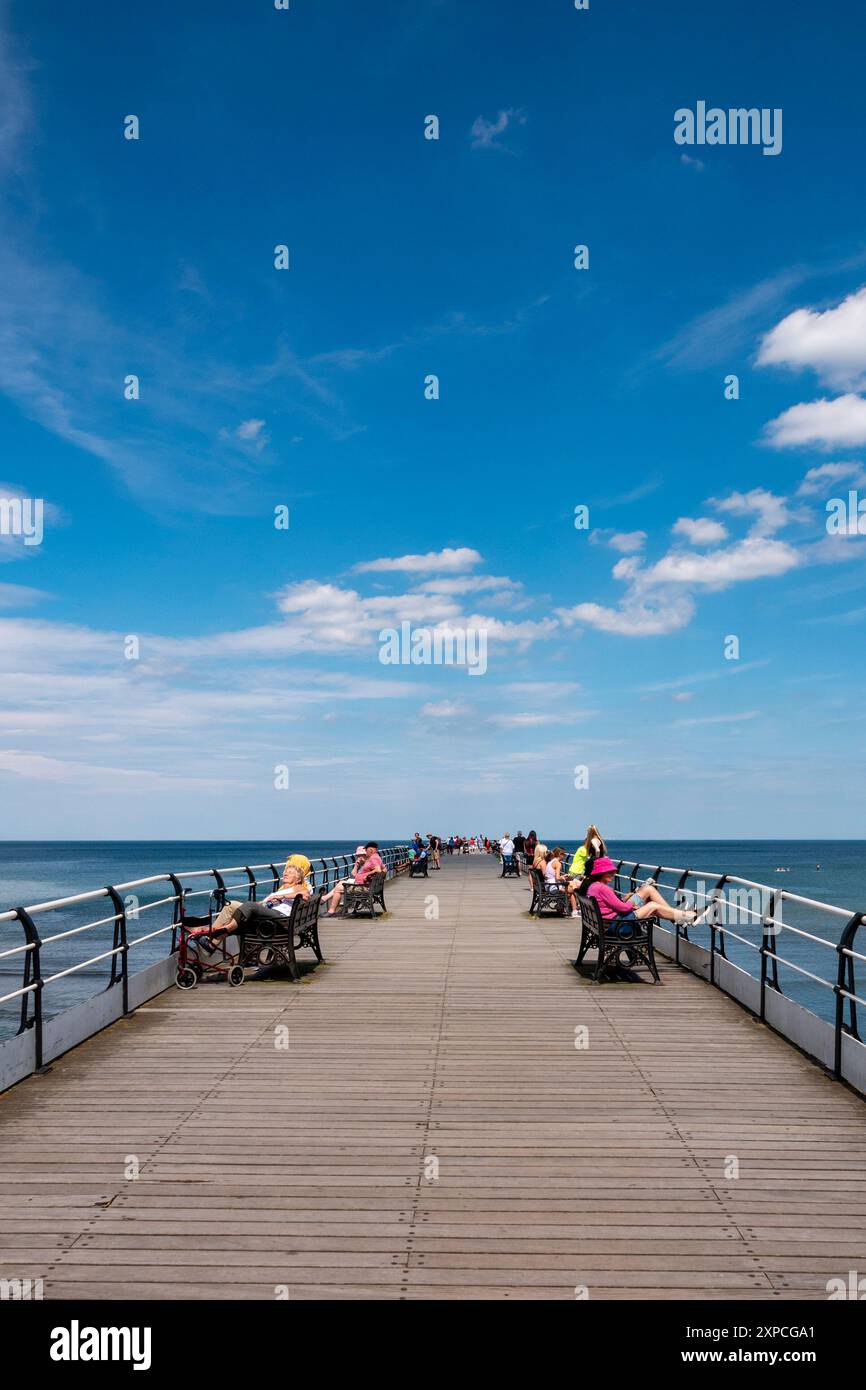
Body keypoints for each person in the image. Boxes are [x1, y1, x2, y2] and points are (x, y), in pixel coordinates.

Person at [583, 857, 696, 935]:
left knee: (648, 890)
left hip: (607, 923)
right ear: (600, 873)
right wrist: (632, 904)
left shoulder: (594, 887)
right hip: (616, 925)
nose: (613, 874)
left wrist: (625, 900)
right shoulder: (602, 888)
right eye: (610, 872)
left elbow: (611, 906)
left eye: (613, 872)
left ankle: (678, 917)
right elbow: (624, 908)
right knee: (652, 905)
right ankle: (687, 916)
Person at [323, 841, 386, 916]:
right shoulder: (375, 858)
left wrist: (366, 875)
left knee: (338, 888)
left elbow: (378, 870)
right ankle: (328, 901)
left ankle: (331, 910)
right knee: (340, 883)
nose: (364, 854)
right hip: (370, 885)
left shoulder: (373, 859)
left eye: (365, 851)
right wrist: (357, 865)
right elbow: (384, 870)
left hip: (364, 887)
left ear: (370, 850)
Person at [545, 846, 577, 914]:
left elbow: (552, 876)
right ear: (560, 854)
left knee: (570, 886)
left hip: (548, 885)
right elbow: (557, 878)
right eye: (564, 854)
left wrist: (562, 876)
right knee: (572, 890)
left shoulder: (550, 862)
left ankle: (560, 906)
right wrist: (563, 878)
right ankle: (574, 911)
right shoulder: (558, 863)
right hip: (554, 887)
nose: (565, 856)